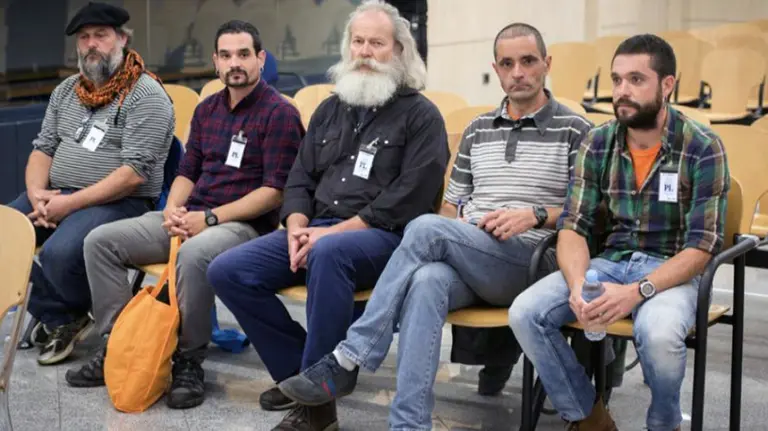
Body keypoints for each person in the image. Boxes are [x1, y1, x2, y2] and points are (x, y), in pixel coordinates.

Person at [275, 23, 594, 430]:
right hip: (476, 256)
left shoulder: (577, 131)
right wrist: (458, 233)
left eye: (528, 61)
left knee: (425, 229)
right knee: (427, 280)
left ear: (546, 64)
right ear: (496, 69)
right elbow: (449, 209)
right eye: (508, 63)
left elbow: (590, 211)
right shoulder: (478, 131)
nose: (519, 72)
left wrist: (535, 213)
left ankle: (351, 355)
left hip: (537, 260)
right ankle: (409, 424)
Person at [206, 1, 448, 429]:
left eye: (377, 43)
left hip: (385, 238)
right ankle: (305, 376)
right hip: (316, 233)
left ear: (399, 51)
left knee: (330, 253)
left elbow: (411, 198)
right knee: (226, 270)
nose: (365, 52)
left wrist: (331, 234)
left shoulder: (421, 115)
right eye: (358, 41)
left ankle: (315, 412)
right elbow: (298, 181)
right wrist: (298, 228)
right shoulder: (330, 109)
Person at [65, 20, 304, 411]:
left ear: (261, 58)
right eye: (226, 55)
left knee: (195, 255)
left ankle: (189, 360)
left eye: (244, 54)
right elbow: (187, 171)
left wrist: (208, 219)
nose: (235, 63)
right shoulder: (209, 108)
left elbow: (275, 192)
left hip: (243, 227)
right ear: (215, 62)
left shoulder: (280, 113)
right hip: (192, 214)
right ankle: (120, 345)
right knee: (100, 242)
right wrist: (174, 210)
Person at [508, 34, 729, 430]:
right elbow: (574, 226)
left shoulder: (702, 146)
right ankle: (589, 416)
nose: (622, 91)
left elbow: (702, 247)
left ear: (667, 85)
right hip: (609, 264)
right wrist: (577, 285)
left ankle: (663, 421)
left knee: (657, 333)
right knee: (526, 312)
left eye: (635, 80)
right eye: (616, 80)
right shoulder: (597, 142)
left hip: (672, 272)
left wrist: (636, 292)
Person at [5, 2, 174, 365]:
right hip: (57, 193)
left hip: (121, 201)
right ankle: (64, 316)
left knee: (59, 253)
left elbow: (134, 173)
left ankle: (62, 314)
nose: (92, 44)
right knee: (4, 236)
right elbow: (42, 149)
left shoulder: (146, 95)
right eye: (84, 38)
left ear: (122, 40)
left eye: (101, 35)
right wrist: (37, 194)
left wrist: (70, 204)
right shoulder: (68, 90)